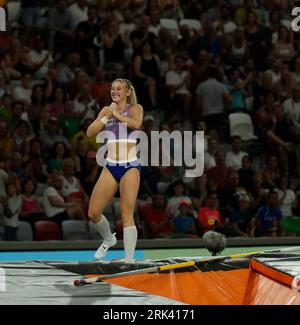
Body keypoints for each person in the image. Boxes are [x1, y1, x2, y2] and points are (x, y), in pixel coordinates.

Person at [86, 79, 143, 262]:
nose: (114, 91)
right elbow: (90, 132)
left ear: (127, 92)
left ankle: (128, 260)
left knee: (126, 213)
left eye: (119, 88)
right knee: (93, 213)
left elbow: (136, 124)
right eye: (112, 88)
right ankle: (109, 239)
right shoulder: (106, 110)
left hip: (130, 166)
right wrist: (106, 116)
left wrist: (117, 115)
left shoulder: (135, 108)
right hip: (110, 166)